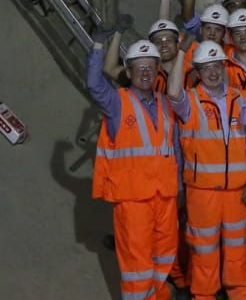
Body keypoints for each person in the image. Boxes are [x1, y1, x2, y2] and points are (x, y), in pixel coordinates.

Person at [168, 41, 246, 300]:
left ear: (224, 67)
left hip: (237, 191)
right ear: (197, 72)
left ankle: (240, 293)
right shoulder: (190, 100)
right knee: (204, 248)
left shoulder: (240, 97)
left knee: (237, 247)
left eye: (217, 66)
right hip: (202, 192)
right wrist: (181, 52)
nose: (212, 72)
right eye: (206, 68)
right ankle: (204, 295)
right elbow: (173, 91)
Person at [89, 39, 179, 300]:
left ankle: (156, 296)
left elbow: (172, 149)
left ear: (158, 69)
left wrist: (178, 188)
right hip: (133, 200)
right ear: (128, 72)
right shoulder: (117, 103)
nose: (145, 72)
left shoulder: (165, 104)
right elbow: (95, 85)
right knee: (137, 266)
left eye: (150, 67)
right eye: (138, 68)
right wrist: (98, 46)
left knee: (164, 255)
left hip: (165, 196)